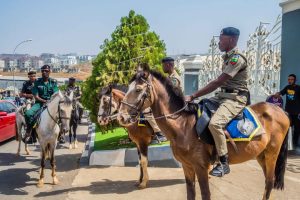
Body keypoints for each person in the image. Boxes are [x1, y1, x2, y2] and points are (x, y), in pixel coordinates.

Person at [185, 27, 249, 177]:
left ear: (232, 40)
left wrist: (193, 95)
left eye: (221, 39)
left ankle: (224, 162)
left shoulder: (236, 59)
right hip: (223, 96)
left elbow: (218, 82)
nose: (218, 42)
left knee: (215, 124)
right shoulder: (227, 57)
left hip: (236, 98)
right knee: (198, 109)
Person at [24, 65, 59, 143]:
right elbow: (36, 96)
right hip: (39, 103)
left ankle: (61, 134)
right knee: (28, 114)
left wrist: (50, 102)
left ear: (49, 72)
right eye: (43, 71)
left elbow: (56, 94)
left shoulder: (53, 82)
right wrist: (44, 101)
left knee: (62, 113)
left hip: (51, 104)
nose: (44, 72)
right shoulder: (37, 82)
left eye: (46, 71)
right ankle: (29, 133)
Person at [275, 74, 300, 149]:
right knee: (287, 127)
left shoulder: (298, 88)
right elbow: (281, 93)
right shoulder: (287, 87)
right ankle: (287, 144)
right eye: (289, 79)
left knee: (297, 129)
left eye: (291, 79)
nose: (290, 81)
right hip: (288, 112)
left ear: (295, 80)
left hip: (297, 112)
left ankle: (295, 144)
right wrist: (277, 94)